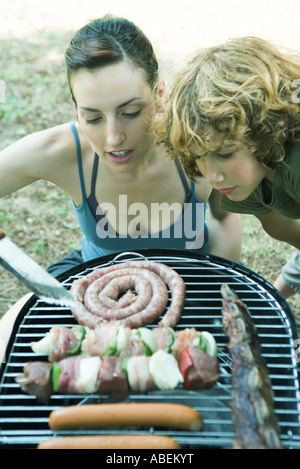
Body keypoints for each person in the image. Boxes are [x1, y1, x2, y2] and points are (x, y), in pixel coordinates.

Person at [0, 16, 241, 362]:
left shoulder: (193, 142)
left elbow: (224, 216)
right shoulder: (65, 152)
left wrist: (214, 293)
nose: (113, 137)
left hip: (192, 293)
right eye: (94, 118)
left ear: (159, 96)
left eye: (130, 112)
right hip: (89, 293)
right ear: (76, 110)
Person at [157, 36, 300, 299]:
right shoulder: (248, 179)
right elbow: (286, 230)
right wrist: (274, 297)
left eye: (225, 153)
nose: (212, 176)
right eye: (199, 156)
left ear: (264, 128)